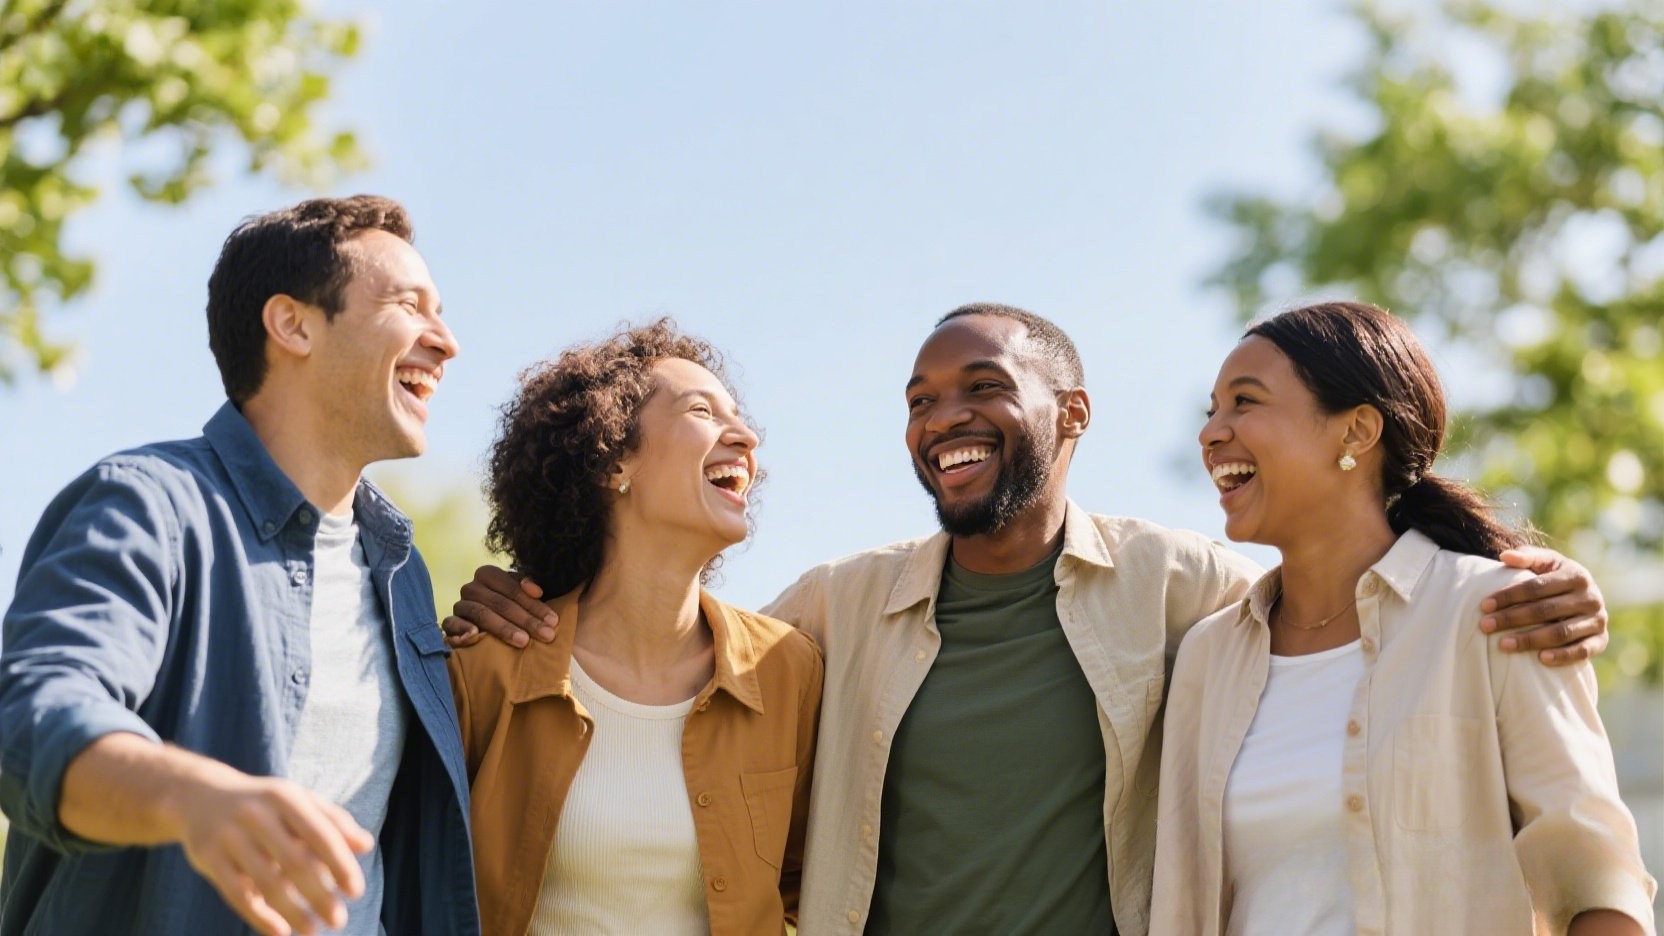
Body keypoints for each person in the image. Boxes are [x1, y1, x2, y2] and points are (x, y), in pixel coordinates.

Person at [446, 303, 1612, 935]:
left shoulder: (1192, 598)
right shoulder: (840, 608)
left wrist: (1523, 574)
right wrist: (514, 593)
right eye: (918, 401)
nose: (942, 417)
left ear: (1072, 415)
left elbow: (1350, 584)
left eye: (982, 388)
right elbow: (665, 647)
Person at [0, 196, 479, 936]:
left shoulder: (401, 572)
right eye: (408, 305)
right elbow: (36, 718)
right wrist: (195, 800)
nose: (445, 341)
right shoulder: (146, 507)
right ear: (292, 324)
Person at [1151, 301, 1655, 934]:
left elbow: (1597, 882)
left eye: (1245, 402)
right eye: (1212, 410)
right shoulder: (1207, 658)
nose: (1212, 432)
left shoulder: (1494, 611)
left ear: (1357, 431)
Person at [448, 320, 822, 936]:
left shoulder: (789, 670)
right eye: (702, 409)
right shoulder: (486, 666)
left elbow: (808, 885)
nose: (747, 435)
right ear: (610, 460)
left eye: (740, 414)